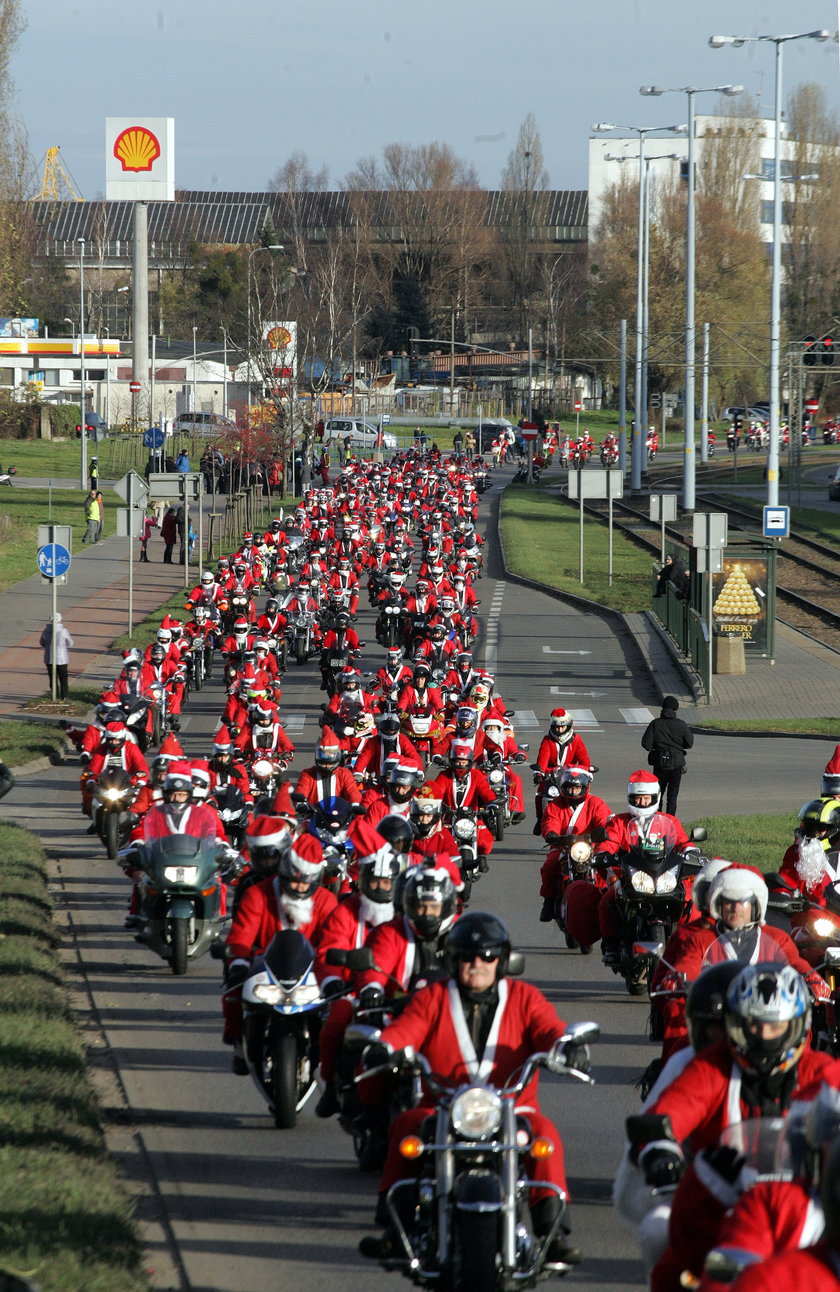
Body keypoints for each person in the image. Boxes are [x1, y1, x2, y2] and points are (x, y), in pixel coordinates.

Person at [358, 911, 588, 1267]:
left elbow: (549, 1028)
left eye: (488, 956)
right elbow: (406, 1030)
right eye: (467, 956)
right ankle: (395, 1231)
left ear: (502, 959)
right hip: (444, 1107)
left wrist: (565, 1046)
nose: (477, 963)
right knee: (406, 1126)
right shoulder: (432, 997)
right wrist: (384, 1046)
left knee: (545, 1135)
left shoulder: (524, 997)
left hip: (513, 1109)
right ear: (453, 960)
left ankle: (552, 1235)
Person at [641, 695, 694, 816]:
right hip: (677, 763)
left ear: (663, 708)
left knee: (658, 793)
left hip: (660, 763)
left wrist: (658, 746)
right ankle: (671, 820)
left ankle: (657, 819)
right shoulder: (681, 724)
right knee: (673, 795)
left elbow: (646, 744)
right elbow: (689, 743)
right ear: (675, 709)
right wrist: (677, 748)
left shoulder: (655, 724)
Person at [39, 613, 73, 700]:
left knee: (52, 678)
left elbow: (42, 642)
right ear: (60, 620)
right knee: (63, 678)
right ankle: (64, 696)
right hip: (62, 658)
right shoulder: (63, 631)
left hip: (49, 657)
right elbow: (70, 643)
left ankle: (55, 696)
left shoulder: (46, 630)